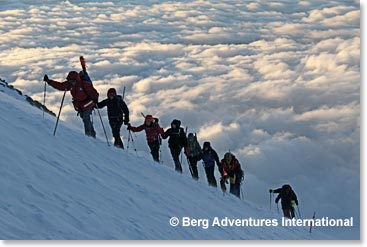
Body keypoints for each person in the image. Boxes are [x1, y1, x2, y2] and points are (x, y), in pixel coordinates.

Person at [43, 71, 99, 137]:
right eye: (70, 81)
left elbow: (94, 92)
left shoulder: (84, 84)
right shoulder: (70, 84)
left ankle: (88, 136)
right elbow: (60, 86)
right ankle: (92, 135)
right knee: (85, 118)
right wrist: (49, 81)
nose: (71, 82)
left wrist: (95, 100)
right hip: (80, 106)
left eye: (72, 81)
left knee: (86, 118)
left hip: (88, 104)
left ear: (76, 79)